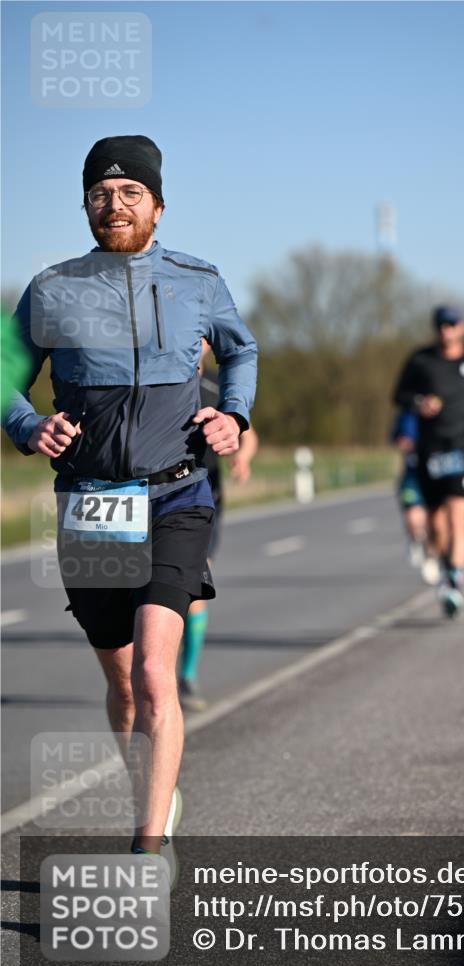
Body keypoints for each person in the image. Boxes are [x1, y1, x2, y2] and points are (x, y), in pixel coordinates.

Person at [2, 135, 257, 872]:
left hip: (177, 494)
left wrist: (232, 415)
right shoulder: (52, 288)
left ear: (157, 205)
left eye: (128, 193)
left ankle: (149, 848)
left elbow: (239, 350)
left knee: (153, 673)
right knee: (119, 682)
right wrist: (27, 422)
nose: (113, 205)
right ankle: (153, 789)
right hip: (90, 508)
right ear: (86, 204)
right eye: (99, 194)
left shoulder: (197, 282)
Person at [392, 305, 464, 617]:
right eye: (440, 325)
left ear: (461, 327)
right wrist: (419, 402)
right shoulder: (421, 360)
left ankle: (453, 584)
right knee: (437, 527)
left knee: (458, 518)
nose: (445, 330)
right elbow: (398, 395)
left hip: (462, 448)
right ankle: (440, 564)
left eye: (451, 324)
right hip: (430, 451)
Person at [178, 340, 259, 711]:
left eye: (203, 337)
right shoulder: (153, 379)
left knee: (195, 584)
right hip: (152, 496)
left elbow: (248, 431)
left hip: (204, 497)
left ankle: (188, 674)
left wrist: (242, 456)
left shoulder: (218, 384)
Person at [390, 409, 440, 585]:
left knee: (435, 524)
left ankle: (430, 558)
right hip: (413, 476)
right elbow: (398, 438)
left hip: (437, 474)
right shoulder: (408, 413)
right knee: (413, 517)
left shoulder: (446, 409)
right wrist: (405, 442)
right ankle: (415, 539)